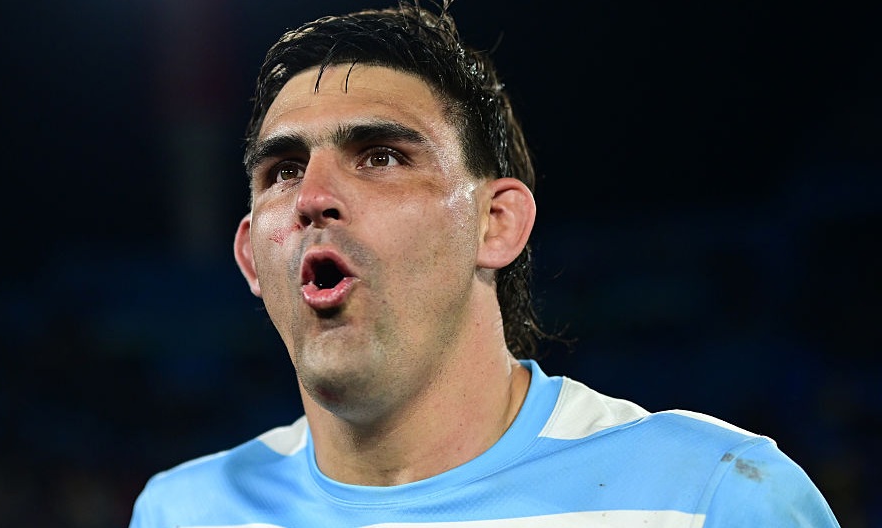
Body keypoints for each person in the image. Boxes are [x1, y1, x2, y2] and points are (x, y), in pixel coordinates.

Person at [129, 2, 839, 526]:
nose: (313, 197)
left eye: (381, 156)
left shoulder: (713, 496)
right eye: (283, 170)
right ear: (251, 257)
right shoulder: (182, 512)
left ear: (495, 224)